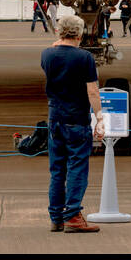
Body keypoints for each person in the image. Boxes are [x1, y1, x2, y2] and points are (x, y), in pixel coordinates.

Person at [41, 14, 105, 233]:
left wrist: (58, 42)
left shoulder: (47, 54)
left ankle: (56, 217)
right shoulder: (84, 57)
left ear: (59, 32)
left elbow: (54, 51)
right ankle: (73, 216)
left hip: (54, 117)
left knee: (57, 169)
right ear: (80, 34)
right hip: (76, 118)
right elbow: (93, 91)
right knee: (77, 167)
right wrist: (99, 118)